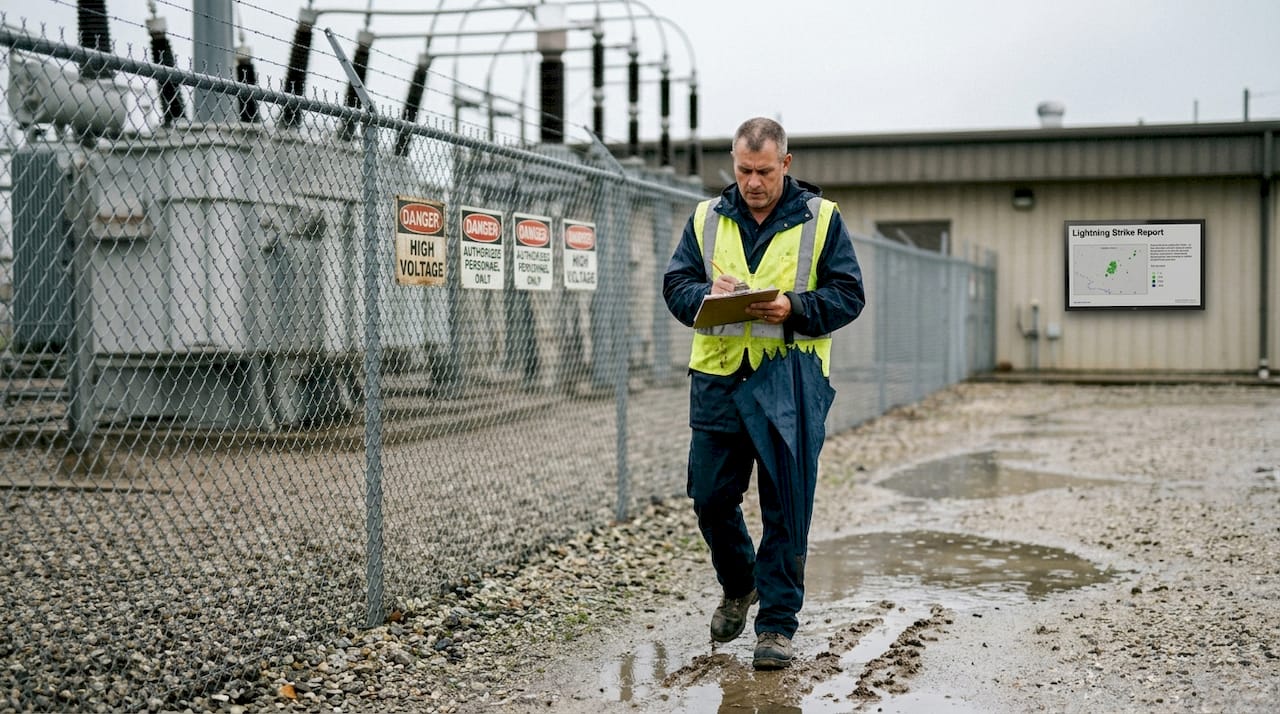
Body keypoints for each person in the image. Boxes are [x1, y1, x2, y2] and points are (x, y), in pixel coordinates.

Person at [662, 117, 865, 670]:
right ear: (734, 163)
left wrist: (793, 308)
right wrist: (708, 292)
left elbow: (849, 295)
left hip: (790, 381)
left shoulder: (822, 220)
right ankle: (740, 582)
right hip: (719, 381)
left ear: (786, 165)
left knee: (786, 508)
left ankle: (776, 625)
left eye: (764, 171)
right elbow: (676, 287)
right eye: (744, 170)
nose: (753, 182)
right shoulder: (706, 218)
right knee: (708, 497)